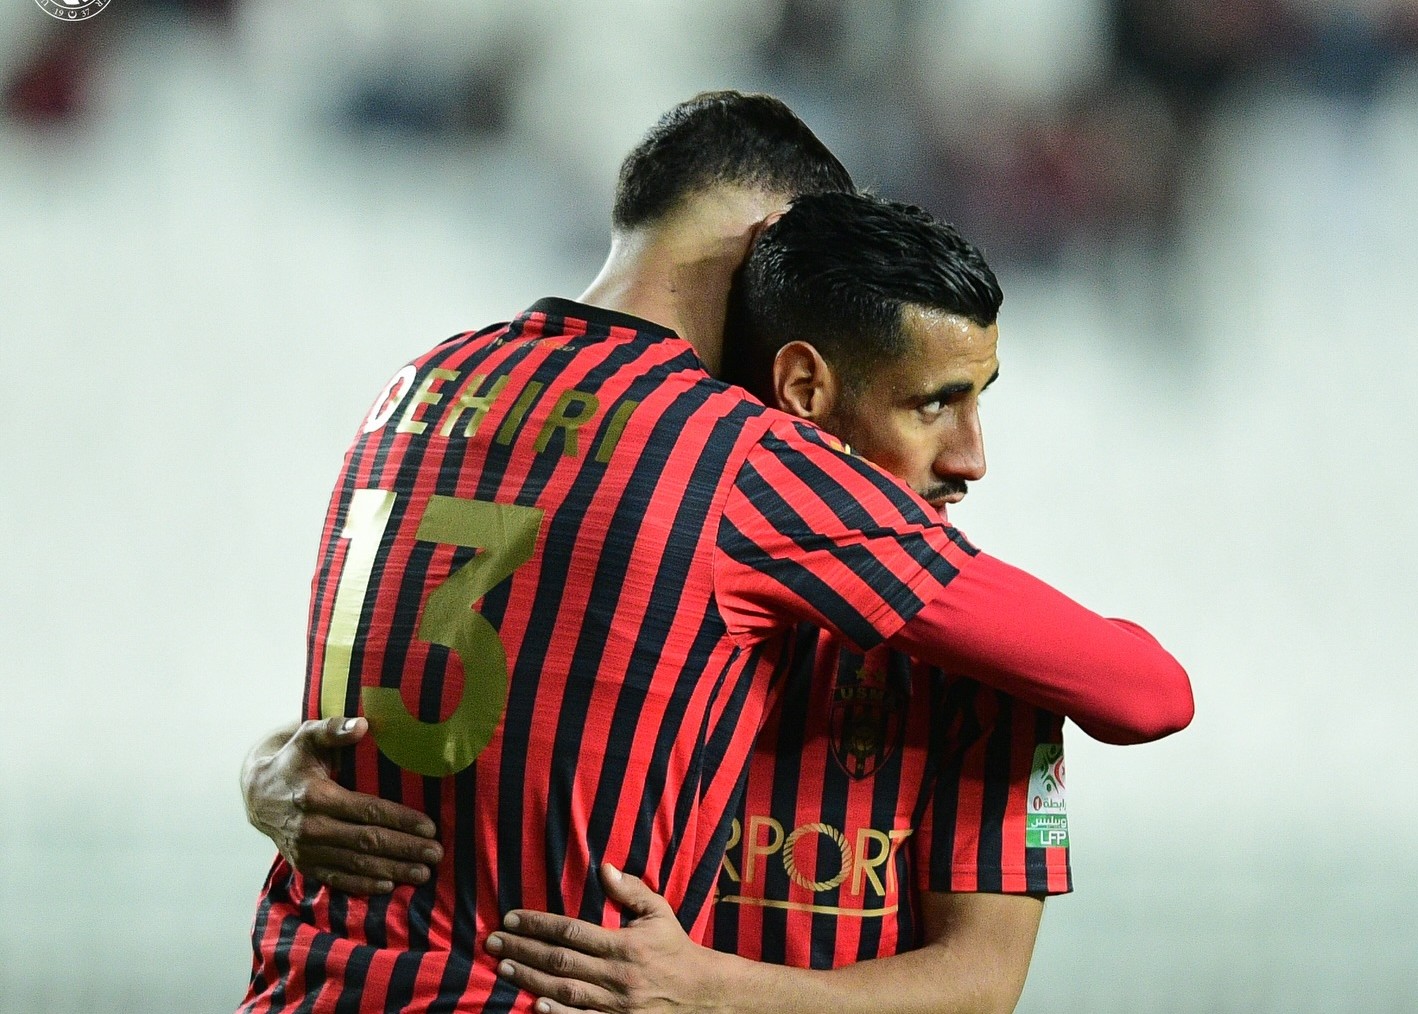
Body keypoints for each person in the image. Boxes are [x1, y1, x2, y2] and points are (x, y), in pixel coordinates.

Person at [240, 92, 1191, 1014]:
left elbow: (429, 702)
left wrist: (261, 775)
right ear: (770, 242)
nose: (970, 455)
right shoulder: (738, 459)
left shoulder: (422, 384)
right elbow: (1147, 692)